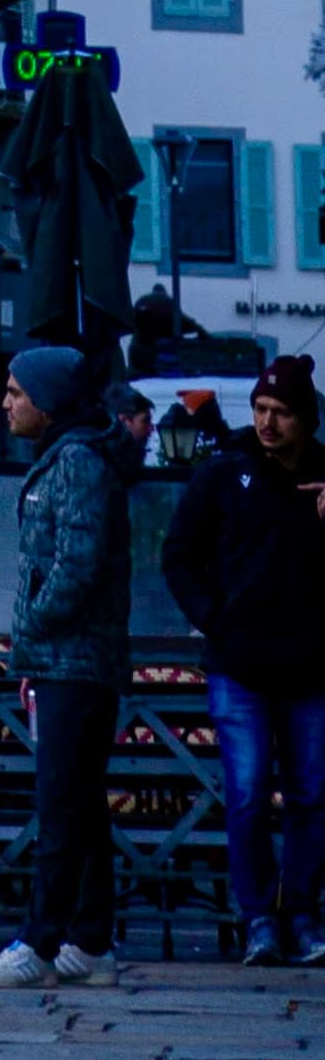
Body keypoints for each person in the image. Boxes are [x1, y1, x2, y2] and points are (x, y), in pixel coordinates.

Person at [0, 339, 130, 990]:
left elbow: (76, 565)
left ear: (47, 399)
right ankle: (90, 936)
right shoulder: (68, 458)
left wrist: (31, 625)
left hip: (76, 660)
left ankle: (39, 940)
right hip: (64, 659)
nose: (6, 403)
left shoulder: (77, 464)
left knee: (61, 801)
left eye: (15, 392)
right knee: (81, 801)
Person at [161, 355, 325, 963]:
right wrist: (216, 618)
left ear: (304, 419)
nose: (268, 423)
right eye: (260, 410)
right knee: (250, 792)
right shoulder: (225, 474)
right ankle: (259, 916)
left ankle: (303, 914)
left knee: (310, 794)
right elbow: (178, 554)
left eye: (281, 413)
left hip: (311, 667)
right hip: (240, 664)